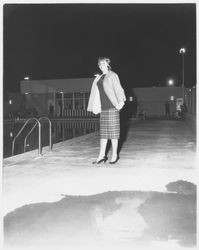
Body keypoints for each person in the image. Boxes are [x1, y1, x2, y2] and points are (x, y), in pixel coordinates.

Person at [87, 57, 126, 164]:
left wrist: (121, 101)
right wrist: (98, 78)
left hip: (112, 107)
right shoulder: (99, 77)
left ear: (108, 64)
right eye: (99, 64)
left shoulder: (113, 75)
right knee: (103, 134)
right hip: (103, 109)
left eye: (103, 63)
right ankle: (101, 155)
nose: (101, 65)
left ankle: (114, 155)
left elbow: (119, 89)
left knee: (113, 134)